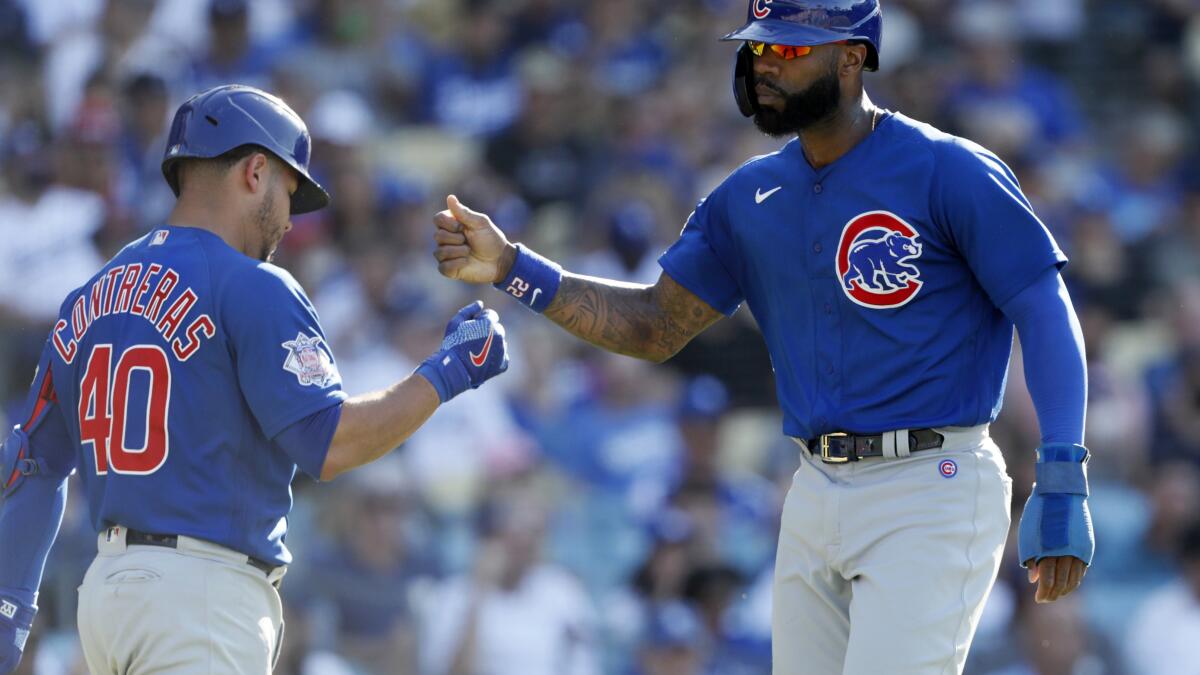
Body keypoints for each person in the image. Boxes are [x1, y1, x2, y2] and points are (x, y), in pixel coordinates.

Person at [431, 1, 1093, 673]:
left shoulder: (948, 169)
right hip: (813, 487)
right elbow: (655, 325)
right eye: (759, 49)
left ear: (853, 56)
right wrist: (516, 268)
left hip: (931, 480)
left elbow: (1044, 308)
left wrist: (1063, 470)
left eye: (791, 49)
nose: (767, 63)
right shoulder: (749, 196)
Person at [0, 84, 510, 674]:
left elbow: (31, 466)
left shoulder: (87, 297)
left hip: (106, 600)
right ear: (256, 171)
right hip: (201, 601)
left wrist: (10, 611)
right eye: (290, 193)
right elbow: (330, 442)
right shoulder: (253, 284)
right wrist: (448, 371)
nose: (291, 220)